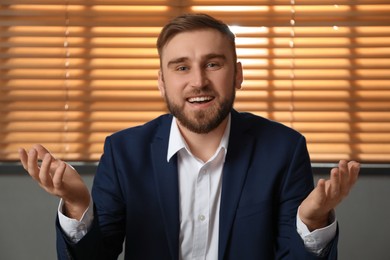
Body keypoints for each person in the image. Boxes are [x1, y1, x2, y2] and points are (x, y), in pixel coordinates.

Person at [19, 13, 360, 260]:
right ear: (161, 82)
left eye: (213, 64)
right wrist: (79, 204)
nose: (198, 81)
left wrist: (313, 222)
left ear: (238, 74)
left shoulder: (284, 150)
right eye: (181, 67)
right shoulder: (123, 152)